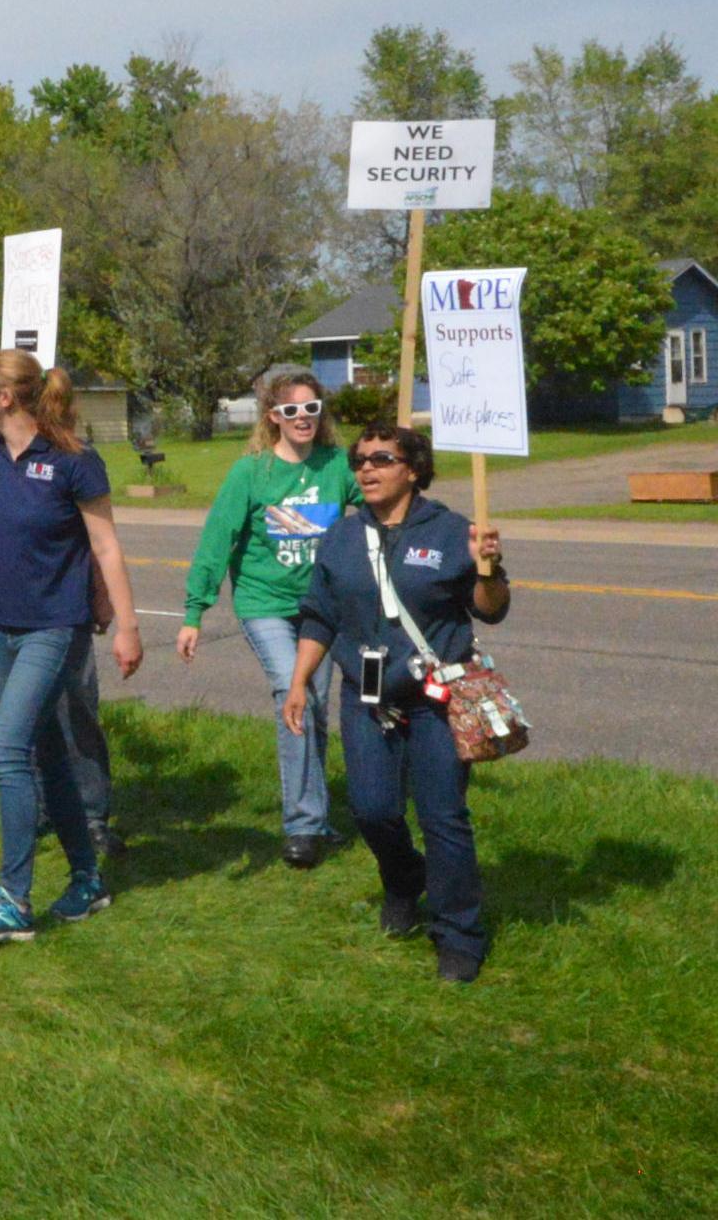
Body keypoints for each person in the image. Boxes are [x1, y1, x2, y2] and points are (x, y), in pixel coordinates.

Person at [0, 348, 145, 944]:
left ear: (5, 397)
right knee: (46, 754)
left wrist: (127, 625)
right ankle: (87, 879)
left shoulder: (75, 461)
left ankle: (13, 899)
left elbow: (107, 548)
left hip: (56, 627)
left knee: (5, 748)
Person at [286, 422, 508, 983]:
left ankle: (459, 934)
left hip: (436, 700)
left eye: (381, 459)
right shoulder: (341, 536)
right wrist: (297, 682)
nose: (367, 469)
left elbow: (491, 608)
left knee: (443, 818)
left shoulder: (452, 529)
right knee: (373, 810)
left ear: (412, 468)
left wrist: (488, 567)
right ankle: (405, 880)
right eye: (360, 460)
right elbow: (319, 614)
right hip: (366, 698)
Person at [179, 370, 359, 868]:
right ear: (273, 417)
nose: (303, 418)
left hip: (320, 609)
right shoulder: (250, 473)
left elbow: (381, 508)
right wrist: (195, 611)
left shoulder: (338, 466)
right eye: (292, 410)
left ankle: (317, 818)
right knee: (291, 689)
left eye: (312, 409)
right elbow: (218, 541)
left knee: (315, 702)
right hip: (265, 605)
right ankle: (302, 826)